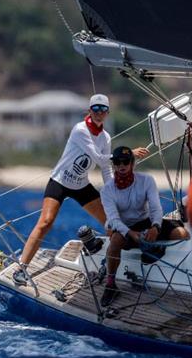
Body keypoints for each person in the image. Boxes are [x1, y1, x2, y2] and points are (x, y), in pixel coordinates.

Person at [13, 94, 149, 285]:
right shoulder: (80, 130)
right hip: (60, 181)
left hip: (81, 185)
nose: (99, 114)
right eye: (96, 109)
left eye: (103, 110)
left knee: (111, 223)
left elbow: (105, 168)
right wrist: (128, 154)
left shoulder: (105, 137)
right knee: (46, 222)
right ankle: (21, 268)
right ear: (89, 111)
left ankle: (116, 263)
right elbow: (99, 158)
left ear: (108, 113)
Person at [100, 146, 189, 306]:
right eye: (118, 162)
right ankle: (111, 284)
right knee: (114, 243)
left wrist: (156, 227)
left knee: (182, 234)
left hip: (147, 221)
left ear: (132, 163)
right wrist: (131, 233)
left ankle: (181, 276)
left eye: (126, 161)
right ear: (114, 165)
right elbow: (113, 219)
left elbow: (156, 208)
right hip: (124, 226)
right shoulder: (106, 190)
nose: (122, 165)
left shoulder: (147, 180)